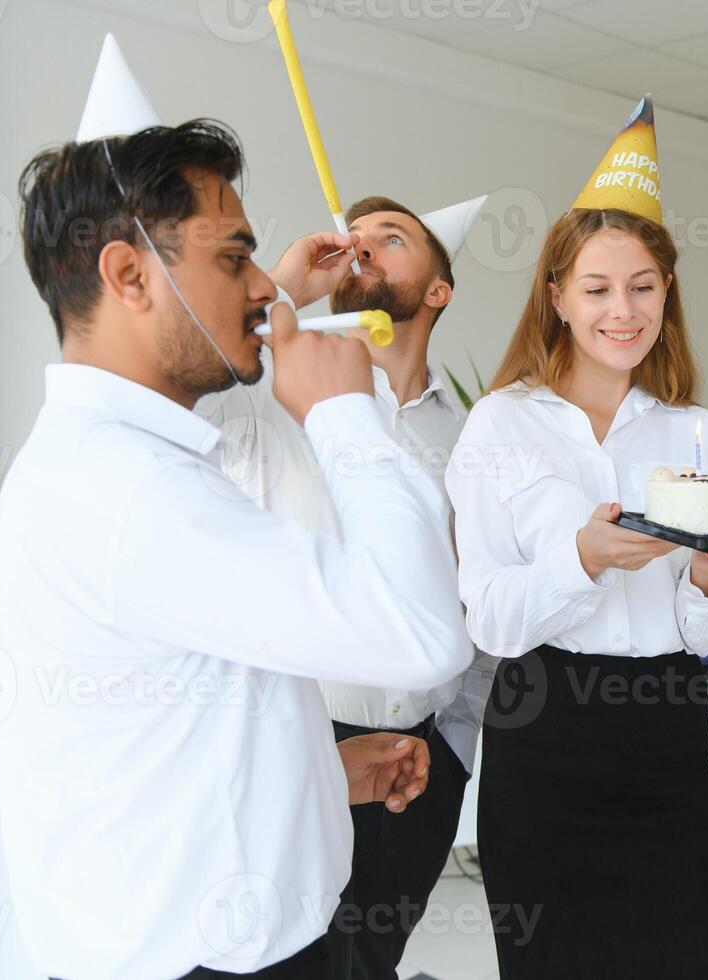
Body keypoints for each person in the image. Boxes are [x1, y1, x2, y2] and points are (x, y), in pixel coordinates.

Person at [0, 36, 470, 979]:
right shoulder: (131, 492)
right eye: (236, 256)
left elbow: (163, 731)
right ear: (129, 276)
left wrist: (313, 770)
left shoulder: (133, 464)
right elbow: (423, 633)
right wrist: (345, 414)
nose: (264, 286)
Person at [444, 97, 708, 979]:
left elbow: (700, 632)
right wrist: (582, 559)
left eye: (642, 287)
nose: (620, 311)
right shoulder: (499, 429)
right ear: (556, 296)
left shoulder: (701, 431)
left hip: (665, 732)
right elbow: (492, 622)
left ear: (667, 292)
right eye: (595, 288)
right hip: (542, 729)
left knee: (676, 959)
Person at [196, 191, 495, 979]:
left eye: (389, 240)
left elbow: (480, 607)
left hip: (418, 769)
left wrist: (455, 752)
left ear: (438, 292)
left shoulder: (467, 442)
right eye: (351, 238)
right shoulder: (265, 408)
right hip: (296, 754)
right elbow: (190, 384)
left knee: (372, 961)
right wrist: (289, 289)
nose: (360, 248)